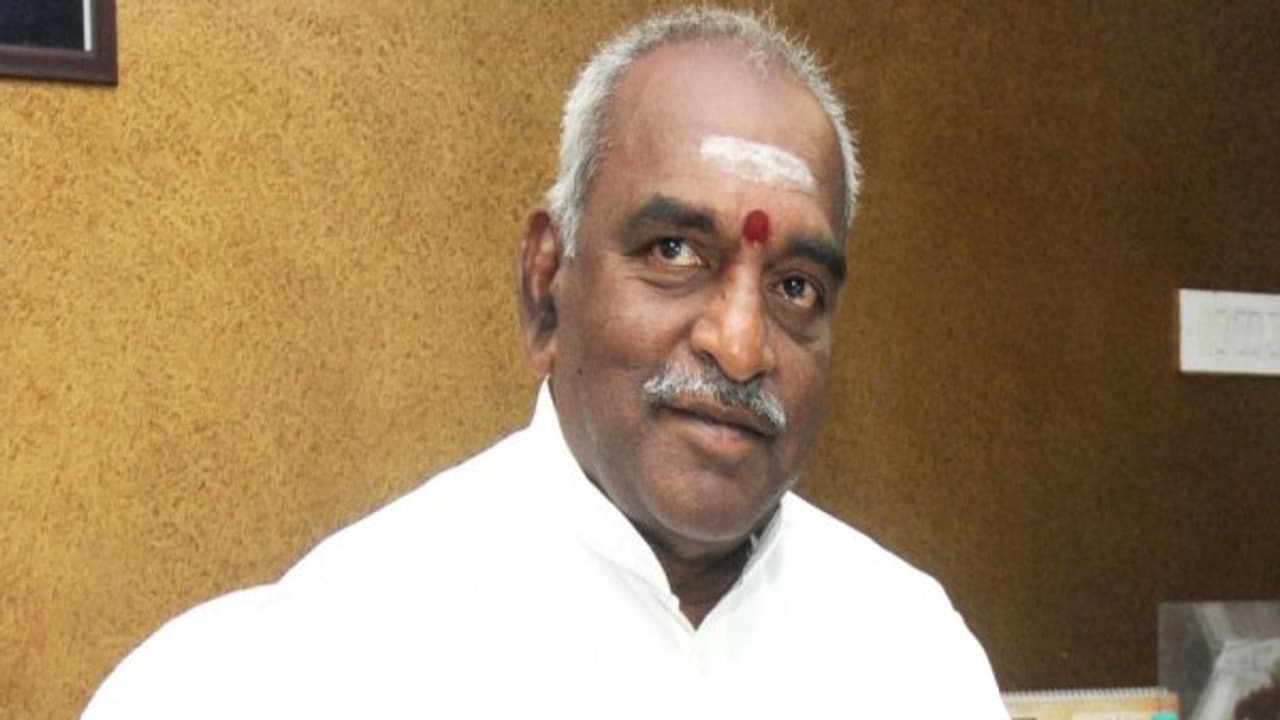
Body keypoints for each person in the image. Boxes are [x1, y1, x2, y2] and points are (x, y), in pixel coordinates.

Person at [83, 7, 1007, 719]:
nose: (739, 344)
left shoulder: (911, 656)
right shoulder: (318, 660)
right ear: (545, 288)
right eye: (675, 252)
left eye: (795, 286)